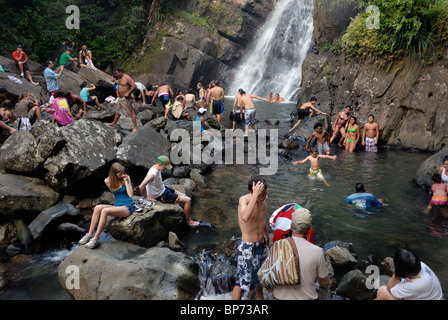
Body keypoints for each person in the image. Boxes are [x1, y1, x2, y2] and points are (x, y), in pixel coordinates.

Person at [272, 207, 331, 300]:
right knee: (326, 285)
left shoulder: (277, 246)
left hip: (278, 297)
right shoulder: (317, 251)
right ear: (309, 228)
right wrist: (328, 280)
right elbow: (323, 282)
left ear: (291, 225)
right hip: (306, 298)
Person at [78, 162, 134, 249]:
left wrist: (127, 182)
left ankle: (95, 239)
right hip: (117, 206)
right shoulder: (107, 181)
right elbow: (114, 194)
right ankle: (89, 234)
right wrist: (115, 206)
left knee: (105, 211)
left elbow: (130, 195)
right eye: (120, 173)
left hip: (127, 206)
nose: (122, 174)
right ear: (114, 173)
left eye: (123, 172)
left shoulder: (126, 178)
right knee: (97, 207)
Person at [232, 177, 270, 300]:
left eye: (264, 193)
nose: (263, 196)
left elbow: (262, 218)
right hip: (248, 247)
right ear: (251, 192)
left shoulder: (265, 199)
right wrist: (255, 195)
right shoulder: (244, 200)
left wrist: (267, 235)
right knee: (241, 283)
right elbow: (245, 217)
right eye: (261, 194)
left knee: (260, 278)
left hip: (262, 244)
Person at [139, 155, 200, 227]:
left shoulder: (154, 167)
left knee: (184, 195)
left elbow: (146, 179)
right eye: (164, 167)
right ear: (159, 164)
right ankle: (188, 221)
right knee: (188, 200)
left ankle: (182, 215)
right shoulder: (153, 174)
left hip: (163, 189)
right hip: (161, 195)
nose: (165, 169)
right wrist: (146, 197)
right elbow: (141, 186)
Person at [376, 248, 443, 300]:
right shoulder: (419, 265)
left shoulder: (415, 285)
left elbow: (390, 289)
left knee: (382, 291)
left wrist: (396, 274)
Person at [107, 67, 139, 132]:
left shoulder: (127, 77)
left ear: (120, 72)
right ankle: (114, 123)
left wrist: (128, 92)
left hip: (126, 98)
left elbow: (134, 86)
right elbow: (120, 85)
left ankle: (135, 127)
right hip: (120, 98)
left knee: (131, 112)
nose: (116, 75)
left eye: (117, 73)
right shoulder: (120, 78)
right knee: (118, 111)